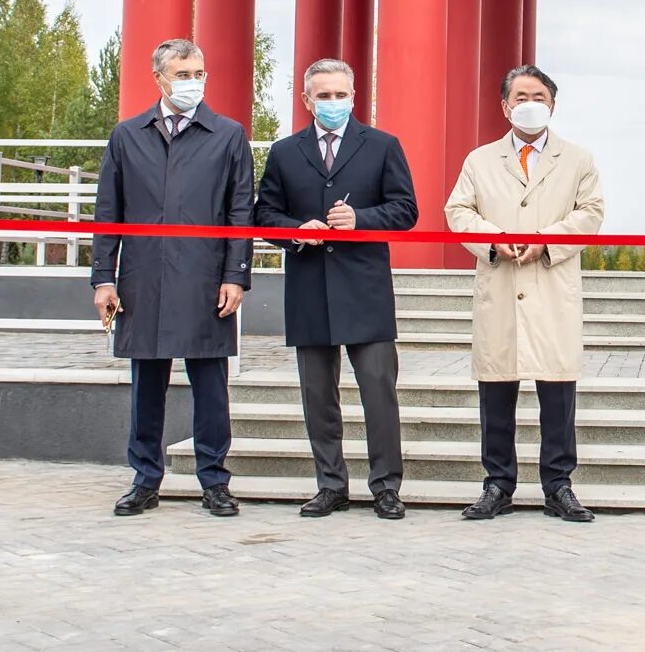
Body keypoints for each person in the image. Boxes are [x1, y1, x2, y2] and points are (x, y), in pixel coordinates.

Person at [92, 39, 253, 517]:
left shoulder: (228, 135)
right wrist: (104, 278)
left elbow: (240, 210)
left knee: (210, 385)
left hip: (207, 278)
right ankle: (145, 479)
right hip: (143, 278)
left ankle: (215, 482)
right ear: (159, 78)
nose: (193, 82)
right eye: (183, 74)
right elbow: (108, 213)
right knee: (146, 385)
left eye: (199, 72)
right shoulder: (127, 135)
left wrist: (236, 275)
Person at [253, 58, 418, 519]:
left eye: (339, 94)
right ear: (307, 100)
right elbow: (264, 214)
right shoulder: (285, 152)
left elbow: (406, 210)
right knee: (318, 396)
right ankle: (331, 484)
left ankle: (386, 486)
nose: (332, 102)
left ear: (353, 96)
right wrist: (293, 230)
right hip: (309, 287)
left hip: (365, 288)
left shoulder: (383, 146)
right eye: (322, 96)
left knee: (378, 392)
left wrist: (361, 219)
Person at [444, 66, 605, 522]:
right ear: (505, 106)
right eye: (520, 96)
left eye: (538, 95)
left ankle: (559, 485)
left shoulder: (578, 160)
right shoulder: (479, 160)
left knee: (557, 395)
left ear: (552, 105)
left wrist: (546, 239)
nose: (529, 102)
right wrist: (493, 238)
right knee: (496, 393)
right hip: (501, 281)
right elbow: (458, 210)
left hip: (551, 284)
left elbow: (590, 213)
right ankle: (497, 484)